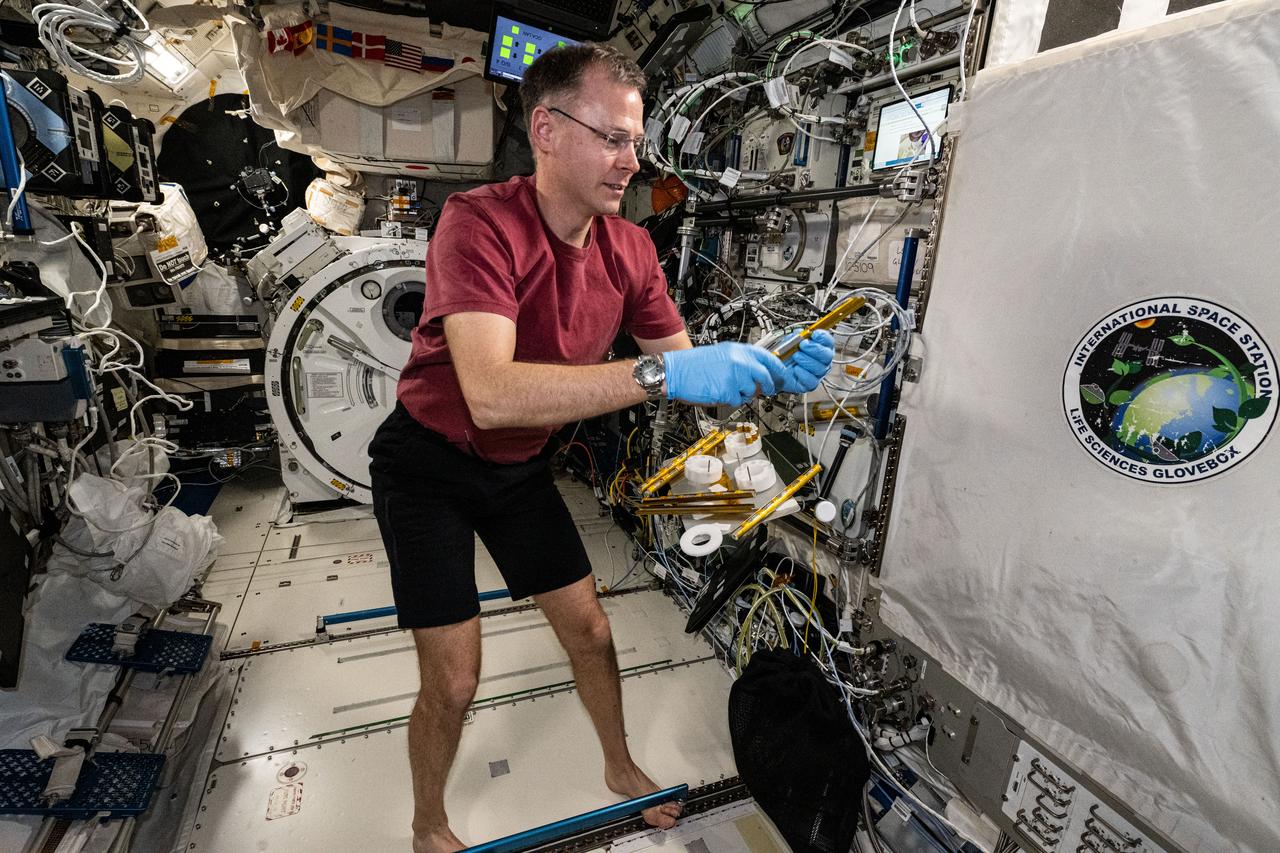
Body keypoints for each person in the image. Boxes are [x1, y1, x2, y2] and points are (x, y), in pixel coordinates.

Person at [368, 42, 836, 853]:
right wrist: (667, 371)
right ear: (546, 130)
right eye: (613, 138)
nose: (631, 162)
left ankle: (619, 762)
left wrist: (769, 370)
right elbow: (493, 391)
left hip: (517, 468)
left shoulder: (629, 249)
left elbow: (688, 373)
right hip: (429, 465)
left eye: (637, 141)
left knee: (589, 630)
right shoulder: (479, 223)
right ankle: (426, 820)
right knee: (454, 678)